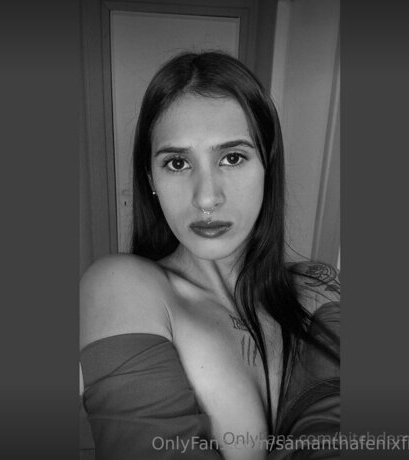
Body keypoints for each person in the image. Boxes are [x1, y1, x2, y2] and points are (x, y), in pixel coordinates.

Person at [80, 51, 340, 460]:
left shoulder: (316, 288)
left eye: (232, 158)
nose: (206, 198)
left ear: (267, 165)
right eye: (177, 163)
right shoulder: (122, 287)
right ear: (151, 178)